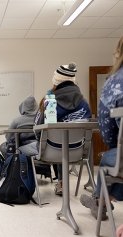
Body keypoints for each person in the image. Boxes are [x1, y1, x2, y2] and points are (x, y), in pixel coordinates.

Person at [31, 62, 91, 196]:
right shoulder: (84, 103)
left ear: (56, 81)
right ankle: (62, 182)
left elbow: (36, 128)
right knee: (64, 142)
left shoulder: (48, 101)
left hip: (51, 152)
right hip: (78, 152)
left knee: (57, 143)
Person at [80, 37, 123, 220]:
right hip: (78, 150)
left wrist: (114, 146)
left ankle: (100, 201)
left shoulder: (114, 83)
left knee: (112, 157)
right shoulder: (82, 103)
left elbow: (108, 134)